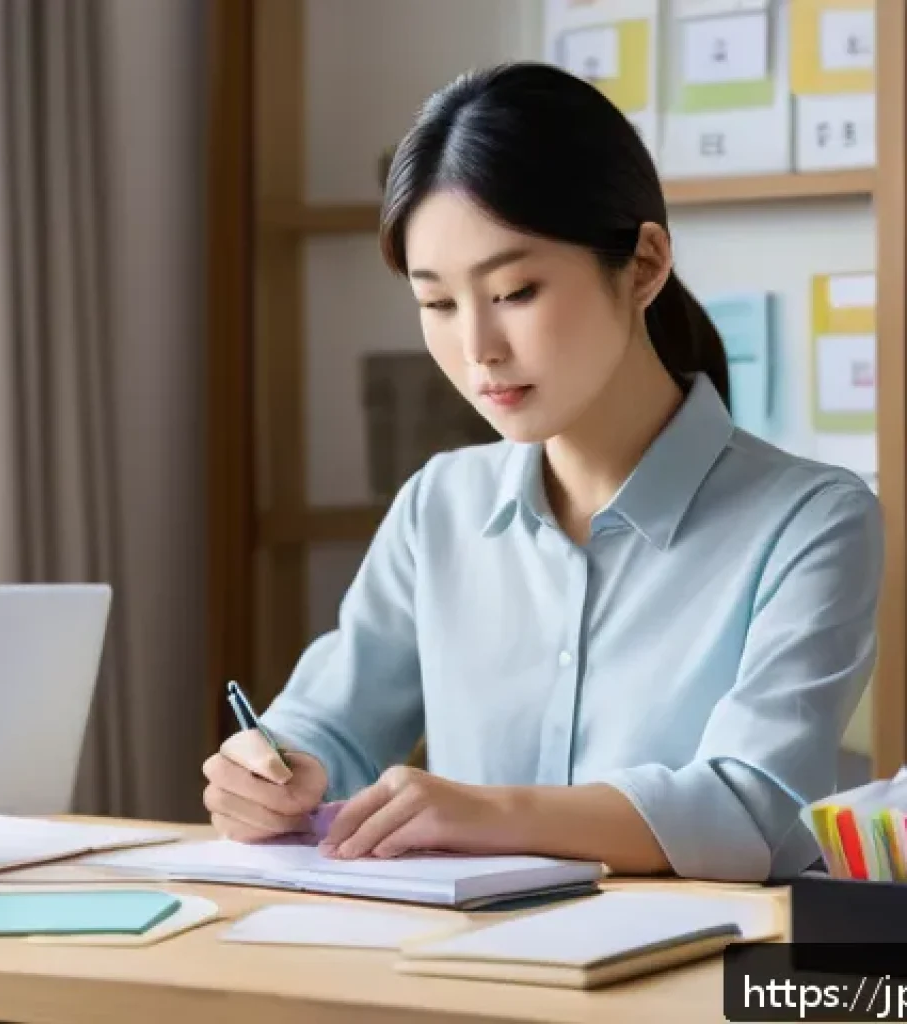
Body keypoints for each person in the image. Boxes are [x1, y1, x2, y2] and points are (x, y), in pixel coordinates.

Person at [202, 62, 884, 882]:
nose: (478, 348)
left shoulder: (812, 520)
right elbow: (330, 729)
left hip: (699, 988)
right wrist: (270, 773)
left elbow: (750, 810)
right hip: (452, 977)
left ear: (643, 265)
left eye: (516, 290)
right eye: (438, 304)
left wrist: (485, 812)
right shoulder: (439, 507)